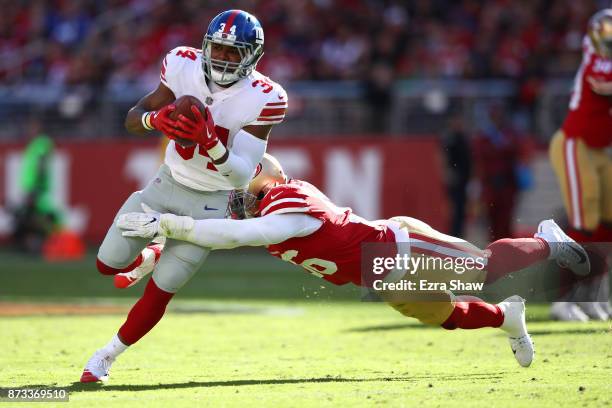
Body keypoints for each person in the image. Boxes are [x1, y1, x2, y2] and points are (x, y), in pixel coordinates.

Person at [116, 154, 591, 373]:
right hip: (378, 270)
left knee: (480, 270)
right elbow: (221, 237)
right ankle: (508, 317)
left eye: (247, 186)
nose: (239, 197)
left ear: (269, 177)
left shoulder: (289, 199)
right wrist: (158, 250)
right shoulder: (266, 211)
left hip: (392, 247)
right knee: (442, 315)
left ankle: (545, 239)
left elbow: (233, 233)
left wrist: (169, 226)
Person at [80, 10, 288, 382]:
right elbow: (133, 116)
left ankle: (105, 357)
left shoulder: (266, 97)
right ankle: (152, 250)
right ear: (207, 46)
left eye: (233, 52)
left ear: (252, 57)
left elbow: (241, 173)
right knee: (106, 265)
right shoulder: (181, 63)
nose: (224, 58)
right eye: (219, 49)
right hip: (166, 183)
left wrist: (210, 142)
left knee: (162, 290)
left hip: (211, 202)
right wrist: (154, 120)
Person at [548, 9, 612, 321]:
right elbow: (603, 84)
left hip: (601, 150)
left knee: (607, 223)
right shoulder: (596, 59)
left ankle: (594, 298)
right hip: (576, 143)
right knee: (584, 222)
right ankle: (563, 299)